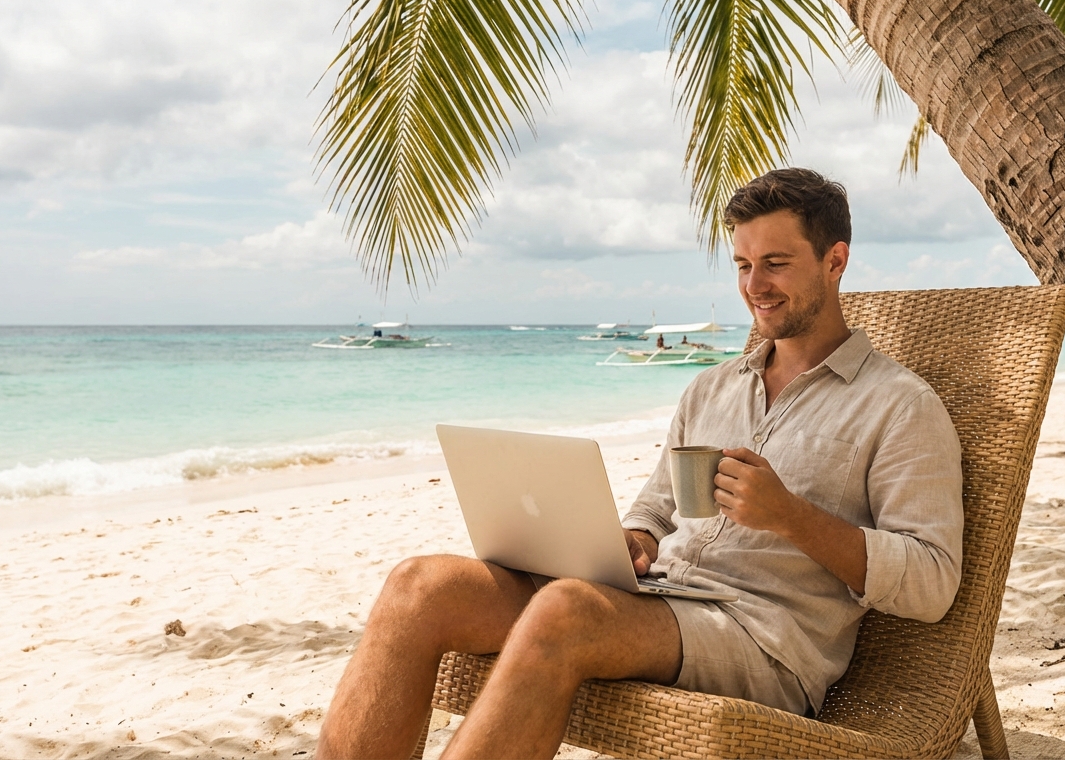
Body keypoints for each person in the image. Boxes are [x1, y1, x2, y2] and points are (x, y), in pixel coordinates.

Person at [315, 168, 963, 759]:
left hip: (764, 637)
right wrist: (634, 538)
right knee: (418, 587)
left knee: (565, 610)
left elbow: (934, 584)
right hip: (658, 597)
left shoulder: (899, 405)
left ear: (834, 261)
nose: (754, 287)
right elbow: (656, 506)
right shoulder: (710, 389)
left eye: (775, 264)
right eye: (741, 265)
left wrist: (792, 518)